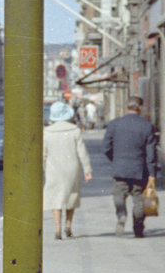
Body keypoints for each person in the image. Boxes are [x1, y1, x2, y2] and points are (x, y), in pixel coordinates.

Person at [102, 96, 158, 237]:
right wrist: (152, 173)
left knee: (119, 195)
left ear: (127, 107)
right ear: (140, 108)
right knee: (139, 199)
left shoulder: (114, 124)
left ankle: (121, 214)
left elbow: (106, 147)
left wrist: (115, 160)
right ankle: (138, 229)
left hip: (120, 168)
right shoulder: (147, 126)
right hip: (140, 170)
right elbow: (151, 154)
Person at [43, 101, 92, 240]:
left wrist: (45, 168)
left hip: (53, 169)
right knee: (71, 196)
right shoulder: (74, 130)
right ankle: (68, 226)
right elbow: (82, 152)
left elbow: (43, 154)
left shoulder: (47, 132)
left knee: (55, 197)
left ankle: (57, 228)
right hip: (72, 167)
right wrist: (87, 170)